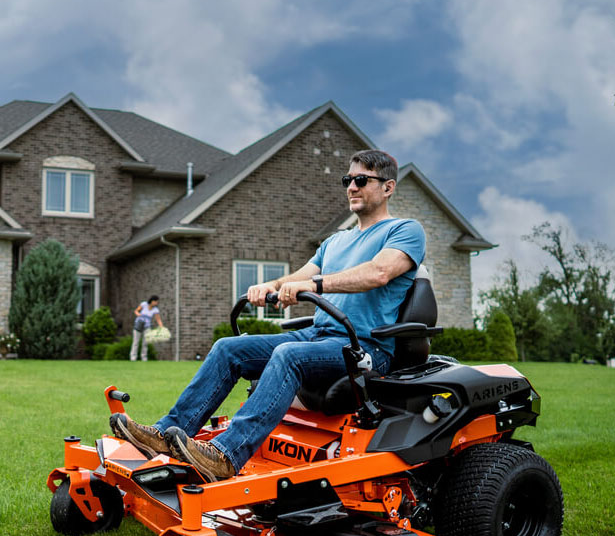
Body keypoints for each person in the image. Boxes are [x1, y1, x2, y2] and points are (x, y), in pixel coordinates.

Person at [111, 149, 426, 481]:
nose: (351, 187)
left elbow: (378, 273)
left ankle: (226, 455)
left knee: (288, 355)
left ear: (388, 187)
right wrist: (269, 285)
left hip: (364, 348)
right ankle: (166, 434)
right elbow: (297, 276)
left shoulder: (405, 231)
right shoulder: (335, 242)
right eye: (348, 180)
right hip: (320, 337)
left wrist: (314, 284)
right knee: (228, 348)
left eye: (361, 180)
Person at [129, 295, 163, 361]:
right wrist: (138, 314)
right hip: (139, 324)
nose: (157, 303)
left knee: (145, 343)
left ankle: (144, 358)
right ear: (152, 301)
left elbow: (158, 319)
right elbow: (136, 311)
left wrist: (161, 326)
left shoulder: (155, 310)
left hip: (147, 326)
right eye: (156, 302)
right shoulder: (144, 304)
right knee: (136, 342)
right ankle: (133, 357)